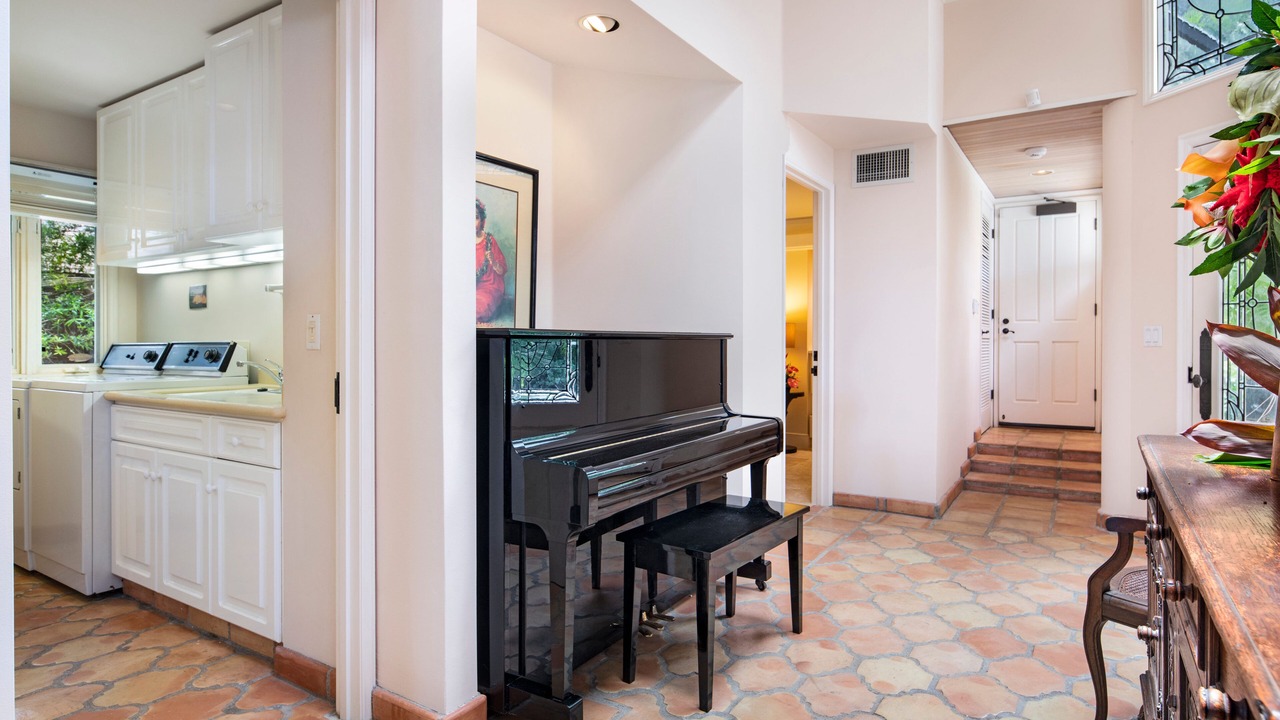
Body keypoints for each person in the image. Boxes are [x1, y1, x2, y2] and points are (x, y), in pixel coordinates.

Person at [475, 198, 507, 323]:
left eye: (475, 217)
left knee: (476, 308)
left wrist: (493, 261)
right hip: (469, 287)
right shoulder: (459, 242)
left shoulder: (489, 240)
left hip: (489, 287)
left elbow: (502, 270)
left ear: (482, 221)